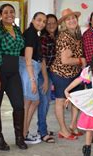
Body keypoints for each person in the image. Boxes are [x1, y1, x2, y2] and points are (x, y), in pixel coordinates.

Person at [0, 4, 27, 151]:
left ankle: (19, 138)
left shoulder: (17, 29)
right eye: (5, 12)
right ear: (0, 15)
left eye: (12, 12)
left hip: (13, 73)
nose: (9, 14)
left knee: (19, 105)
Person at [50, 8, 86, 140]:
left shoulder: (76, 33)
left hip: (74, 72)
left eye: (73, 18)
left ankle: (73, 126)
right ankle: (63, 130)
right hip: (61, 73)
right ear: (64, 23)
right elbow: (65, 60)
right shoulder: (64, 36)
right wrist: (81, 60)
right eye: (68, 19)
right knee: (60, 101)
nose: (72, 20)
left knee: (76, 100)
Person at [19, 12, 47, 145]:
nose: (41, 23)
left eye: (44, 21)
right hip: (28, 70)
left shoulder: (34, 33)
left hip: (31, 69)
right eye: (39, 20)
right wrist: (32, 80)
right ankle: (23, 134)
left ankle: (24, 133)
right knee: (29, 102)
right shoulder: (30, 34)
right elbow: (28, 59)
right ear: (33, 20)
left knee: (32, 102)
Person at [37, 14, 58, 143]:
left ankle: (42, 128)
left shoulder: (54, 36)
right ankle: (43, 132)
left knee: (47, 101)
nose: (51, 25)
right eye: (48, 23)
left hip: (50, 72)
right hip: (42, 72)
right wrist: (45, 79)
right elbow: (42, 60)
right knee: (44, 102)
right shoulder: (43, 38)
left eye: (53, 23)